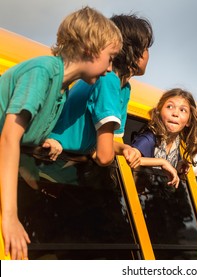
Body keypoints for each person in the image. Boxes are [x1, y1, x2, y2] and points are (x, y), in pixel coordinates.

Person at [0, 6, 123, 260]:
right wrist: (10, 218)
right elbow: (9, 138)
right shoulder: (43, 72)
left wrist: (45, 140)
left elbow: (21, 139)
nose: (110, 68)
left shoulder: (62, 89)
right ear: (90, 48)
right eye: (110, 57)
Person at [46, 13, 154, 168]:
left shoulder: (122, 87)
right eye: (145, 48)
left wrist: (126, 148)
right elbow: (104, 157)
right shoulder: (108, 80)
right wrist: (100, 151)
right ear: (133, 52)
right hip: (52, 160)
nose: (148, 54)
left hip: (62, 160)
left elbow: (108, 142)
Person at [132, 88, 197, 188]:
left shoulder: (179, 143)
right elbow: (130, 158)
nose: (175, 113)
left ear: (189, 121)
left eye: (183, 110)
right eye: (169, 107)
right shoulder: (151, 137)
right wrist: (162, 163)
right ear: (159, 112)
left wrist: (178, 167)